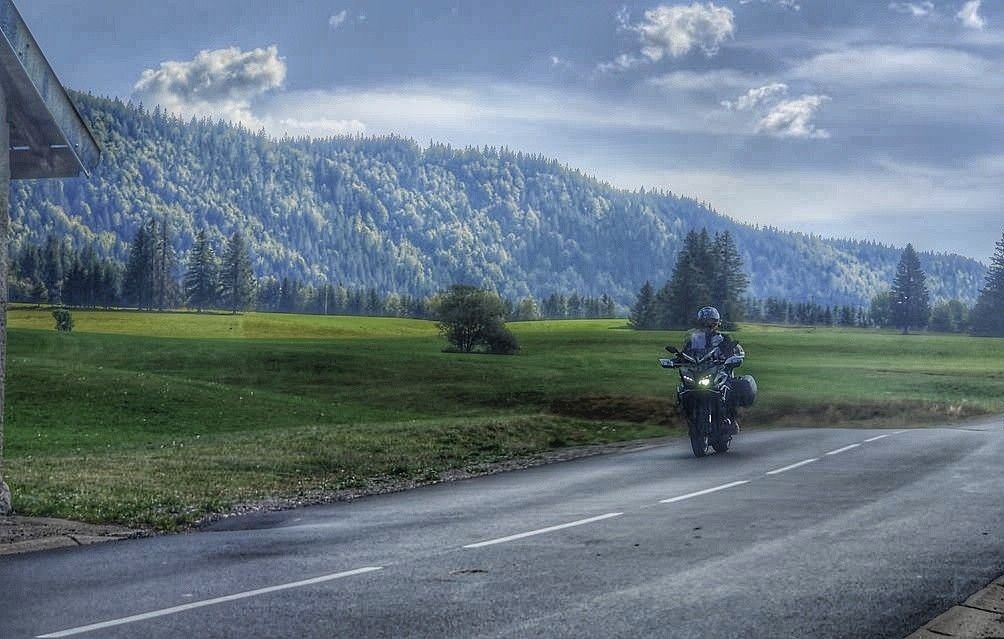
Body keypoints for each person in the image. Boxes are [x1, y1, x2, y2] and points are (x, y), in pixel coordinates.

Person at [674, 306, 745, 430]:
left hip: (719, 371)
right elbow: (685, 353)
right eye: (705, 321)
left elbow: (737, 351)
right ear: (700, 322)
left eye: (711, 321)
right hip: (699, 371)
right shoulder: (694, 339)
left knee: (730, 389)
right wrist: (676, 360)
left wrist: (733, 357)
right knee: (684, 389)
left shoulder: (724, 338)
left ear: (717, 323)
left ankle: (732, 419)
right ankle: (687, 414)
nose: (708, 324)